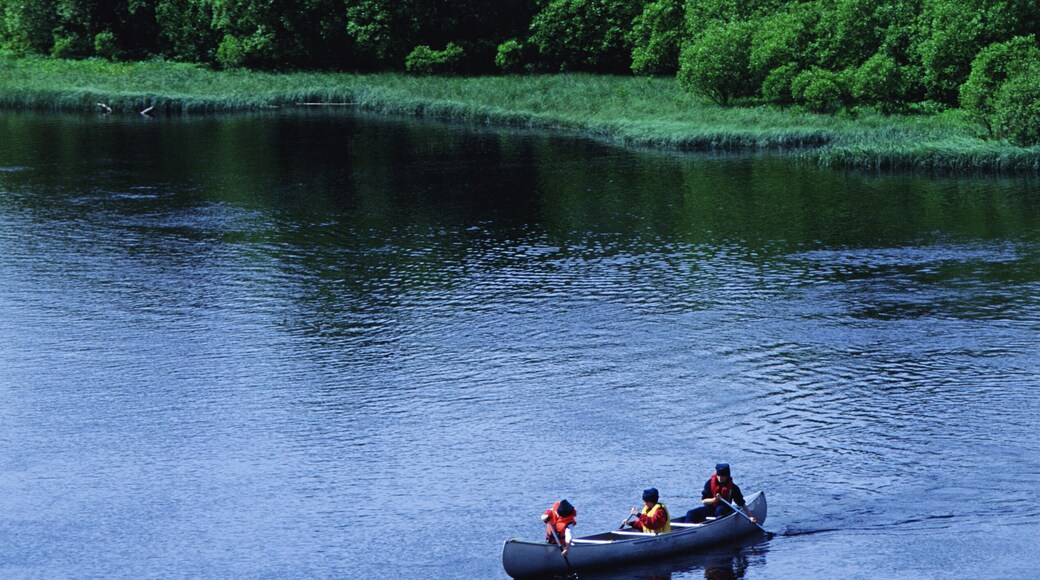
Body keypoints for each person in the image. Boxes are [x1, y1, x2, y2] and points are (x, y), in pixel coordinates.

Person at [685, 463, 757, 524]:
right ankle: (687, 530)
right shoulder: (709, 483)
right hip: (711, 508)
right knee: (690, 513)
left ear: (727, 476)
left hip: (725, 509)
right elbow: (704, 501)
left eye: (723, 476)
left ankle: (715, 529)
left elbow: (742, 504)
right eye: (718, 475)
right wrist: (714, 500)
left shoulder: (733, 488)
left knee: (719, 510)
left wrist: (750, 516)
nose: (720, 478)